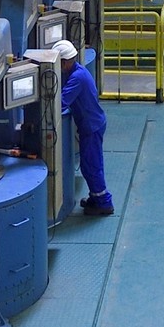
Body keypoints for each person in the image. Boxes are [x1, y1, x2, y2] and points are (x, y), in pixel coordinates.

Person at [54, 38, 112, 215]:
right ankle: (96, 196)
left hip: (91, 127)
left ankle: (104, 203)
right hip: (92, 124)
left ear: (63, 63)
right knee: (90, 164)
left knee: (91, 165)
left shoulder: (76, 78)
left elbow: (62, 102)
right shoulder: (78, 71)